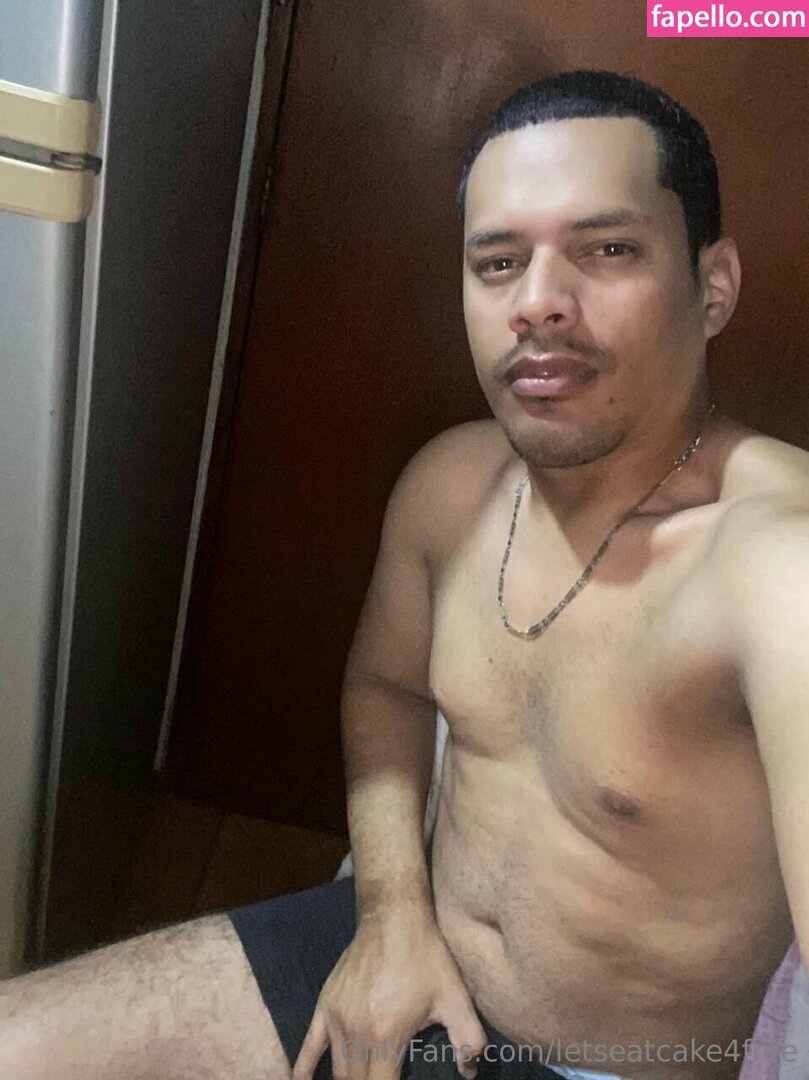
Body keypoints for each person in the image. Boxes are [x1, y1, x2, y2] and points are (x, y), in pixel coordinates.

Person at [1, 68, 808, 1080]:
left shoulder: (776, 566)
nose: (538, 304)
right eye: (497, 262)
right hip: (397, 953)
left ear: (712, 284)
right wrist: (389, 912)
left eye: (607, 249)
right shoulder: (448, 485)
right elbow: (385, 686)